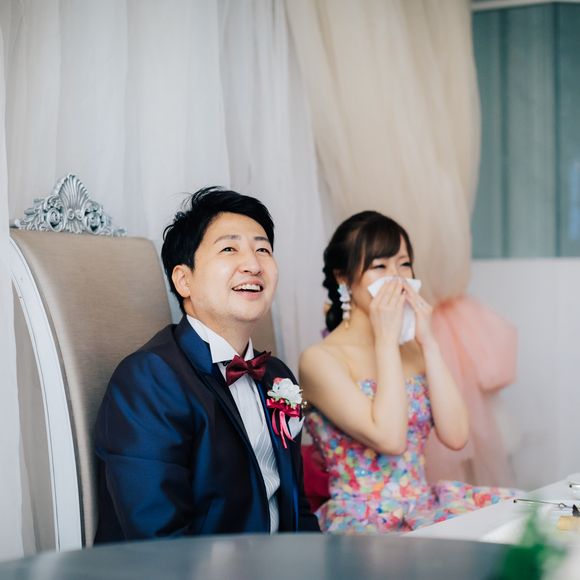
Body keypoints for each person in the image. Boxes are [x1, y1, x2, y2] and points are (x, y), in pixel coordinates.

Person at [94, 187, 319, 542]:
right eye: (229, 249)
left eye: (263, 249)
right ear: (184, 280)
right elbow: (160, 539)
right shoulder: (150, 379)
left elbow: (295, 505)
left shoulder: (277, 376)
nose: (253, 264)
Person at [299, 211, 517, 534]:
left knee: (519, 522)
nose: (396, 278)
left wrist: (429, 342)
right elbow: (390, 439)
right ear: (343, 278)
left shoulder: (413, 350)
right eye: (379, 266)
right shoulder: (319, 360)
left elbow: (457, 436)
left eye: (403, 264)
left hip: (423, 506)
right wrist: (386, 340)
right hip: (362, 522)